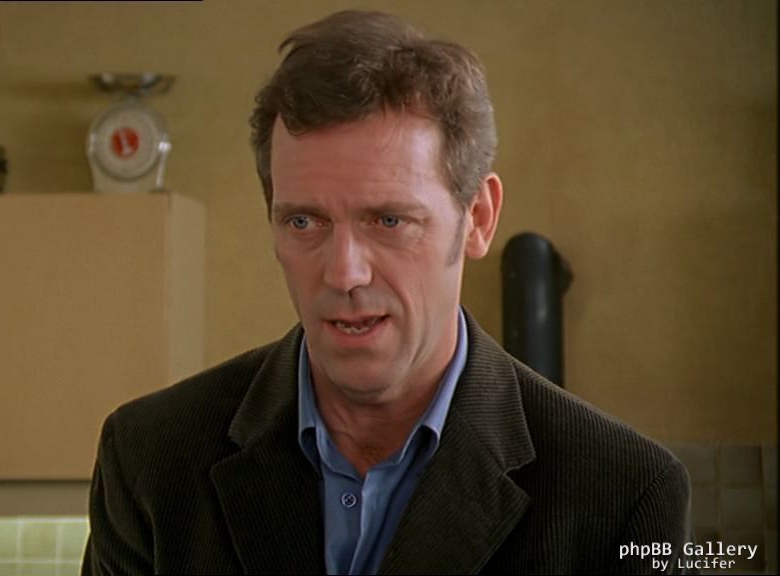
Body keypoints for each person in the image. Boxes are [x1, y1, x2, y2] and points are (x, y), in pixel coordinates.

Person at [82, 9, 692, 575]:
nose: (344, 273)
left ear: (478, 218)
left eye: (389, 220)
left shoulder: (623, 494)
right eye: (305, 222)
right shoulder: (150, 461)